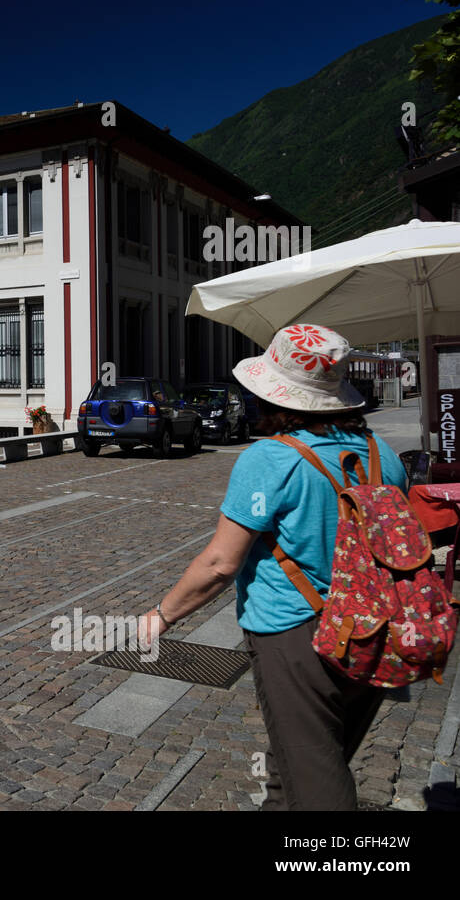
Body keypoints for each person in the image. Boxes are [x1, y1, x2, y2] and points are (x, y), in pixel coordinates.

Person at [140, 324, 407, 811]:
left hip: (298, 637)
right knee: (295, 770)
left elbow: (221, 563)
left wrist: (162, 614)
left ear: (274, 397)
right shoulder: (384, 457)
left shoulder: (270, 458)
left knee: (317, 779)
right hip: (374, 630)